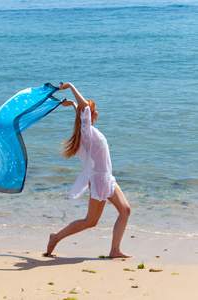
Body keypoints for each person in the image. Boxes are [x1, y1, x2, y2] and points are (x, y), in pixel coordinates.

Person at [46, 82, 132, 258]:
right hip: (100, 181)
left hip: (107, 179)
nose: (98, 112)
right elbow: (84, 109)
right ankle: (56, 237)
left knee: (125, 211)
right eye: (96, 110)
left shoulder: (88, 130)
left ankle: (115, 250)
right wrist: (70, 86)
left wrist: (72, 105)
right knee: (90, 221)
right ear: (90, 114)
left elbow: (81, 114)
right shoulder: (87, 133)